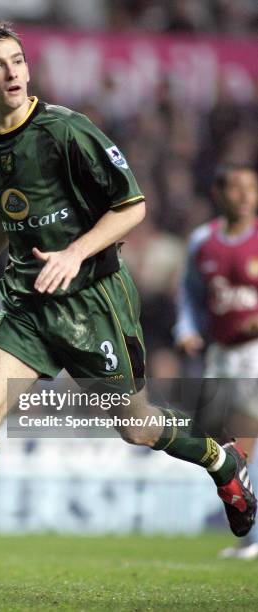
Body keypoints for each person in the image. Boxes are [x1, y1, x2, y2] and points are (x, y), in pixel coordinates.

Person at [0, 23, 256, 594]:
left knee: (136, 428)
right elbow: (7, 208)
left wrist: (74, 252)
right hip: (26, 301)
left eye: (19, 60)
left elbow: (132, 207)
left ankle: (221, 461)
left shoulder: (67, 130)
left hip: (92, 301)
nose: (14, 72)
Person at [176, 164, 258, 559]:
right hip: (219, 352)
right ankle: (248, 527)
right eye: (237, 188)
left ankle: (254, 538)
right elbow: (189, 293)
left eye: (251, 188)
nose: (245, 196)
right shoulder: (202, 241)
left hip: (254, 351)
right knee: (220, 443)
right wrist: (186, 328)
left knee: (247, 442)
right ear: (219, 194)